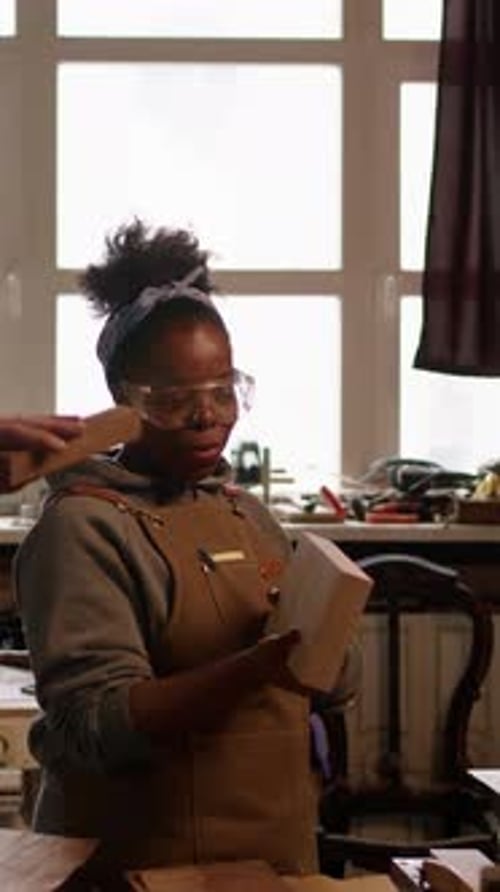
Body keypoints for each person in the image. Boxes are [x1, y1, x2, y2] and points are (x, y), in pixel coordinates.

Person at [14, 220, 356, 881]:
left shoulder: (247, 515)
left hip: (274, 861)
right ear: (123, 401)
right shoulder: (83, 528)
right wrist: (255, 669)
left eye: (224, 391)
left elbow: (331, 685)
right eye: (174, 401)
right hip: (141, 867)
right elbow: (97, 725)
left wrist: (331, 638)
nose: (208, 417)